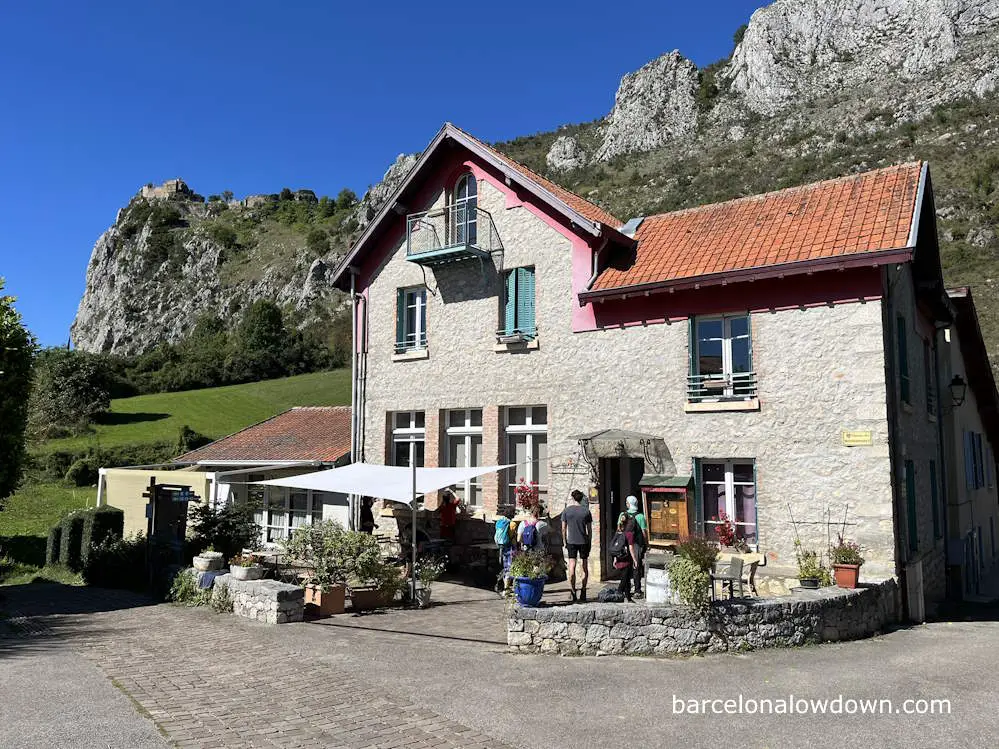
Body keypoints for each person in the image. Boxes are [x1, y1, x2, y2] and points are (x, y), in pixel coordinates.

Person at [562, 489, 592, 602]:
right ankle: (583, 591)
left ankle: (573, 590)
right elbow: (589, 530)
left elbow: (563, 528)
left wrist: (564, 541)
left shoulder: (567, 511)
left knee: (572, 566)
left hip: (571, 541)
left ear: (573, 498)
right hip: (583, 541)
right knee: (584, 566)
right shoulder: (586, 511)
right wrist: (589, 541)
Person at [617, 495, 648, 598]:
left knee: (626, 566)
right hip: (636, 545)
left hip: (625, 544)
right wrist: (645, 544)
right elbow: (644, 532)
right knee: (636, 566)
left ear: (628, 504)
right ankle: (637, 590)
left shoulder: (622, 515)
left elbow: (619, 530)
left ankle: (626, 589)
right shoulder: (640, 516)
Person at [613, 514, 641, 602]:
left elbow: (615, 546)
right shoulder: (629, 534)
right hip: (626, 558)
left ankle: (628, 597)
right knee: (625, 577)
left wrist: (615, 558)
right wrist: (635, 560)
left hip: (619, 557)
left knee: (626, 578)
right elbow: (631, 548)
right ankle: (619, 591)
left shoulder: (618, 532)